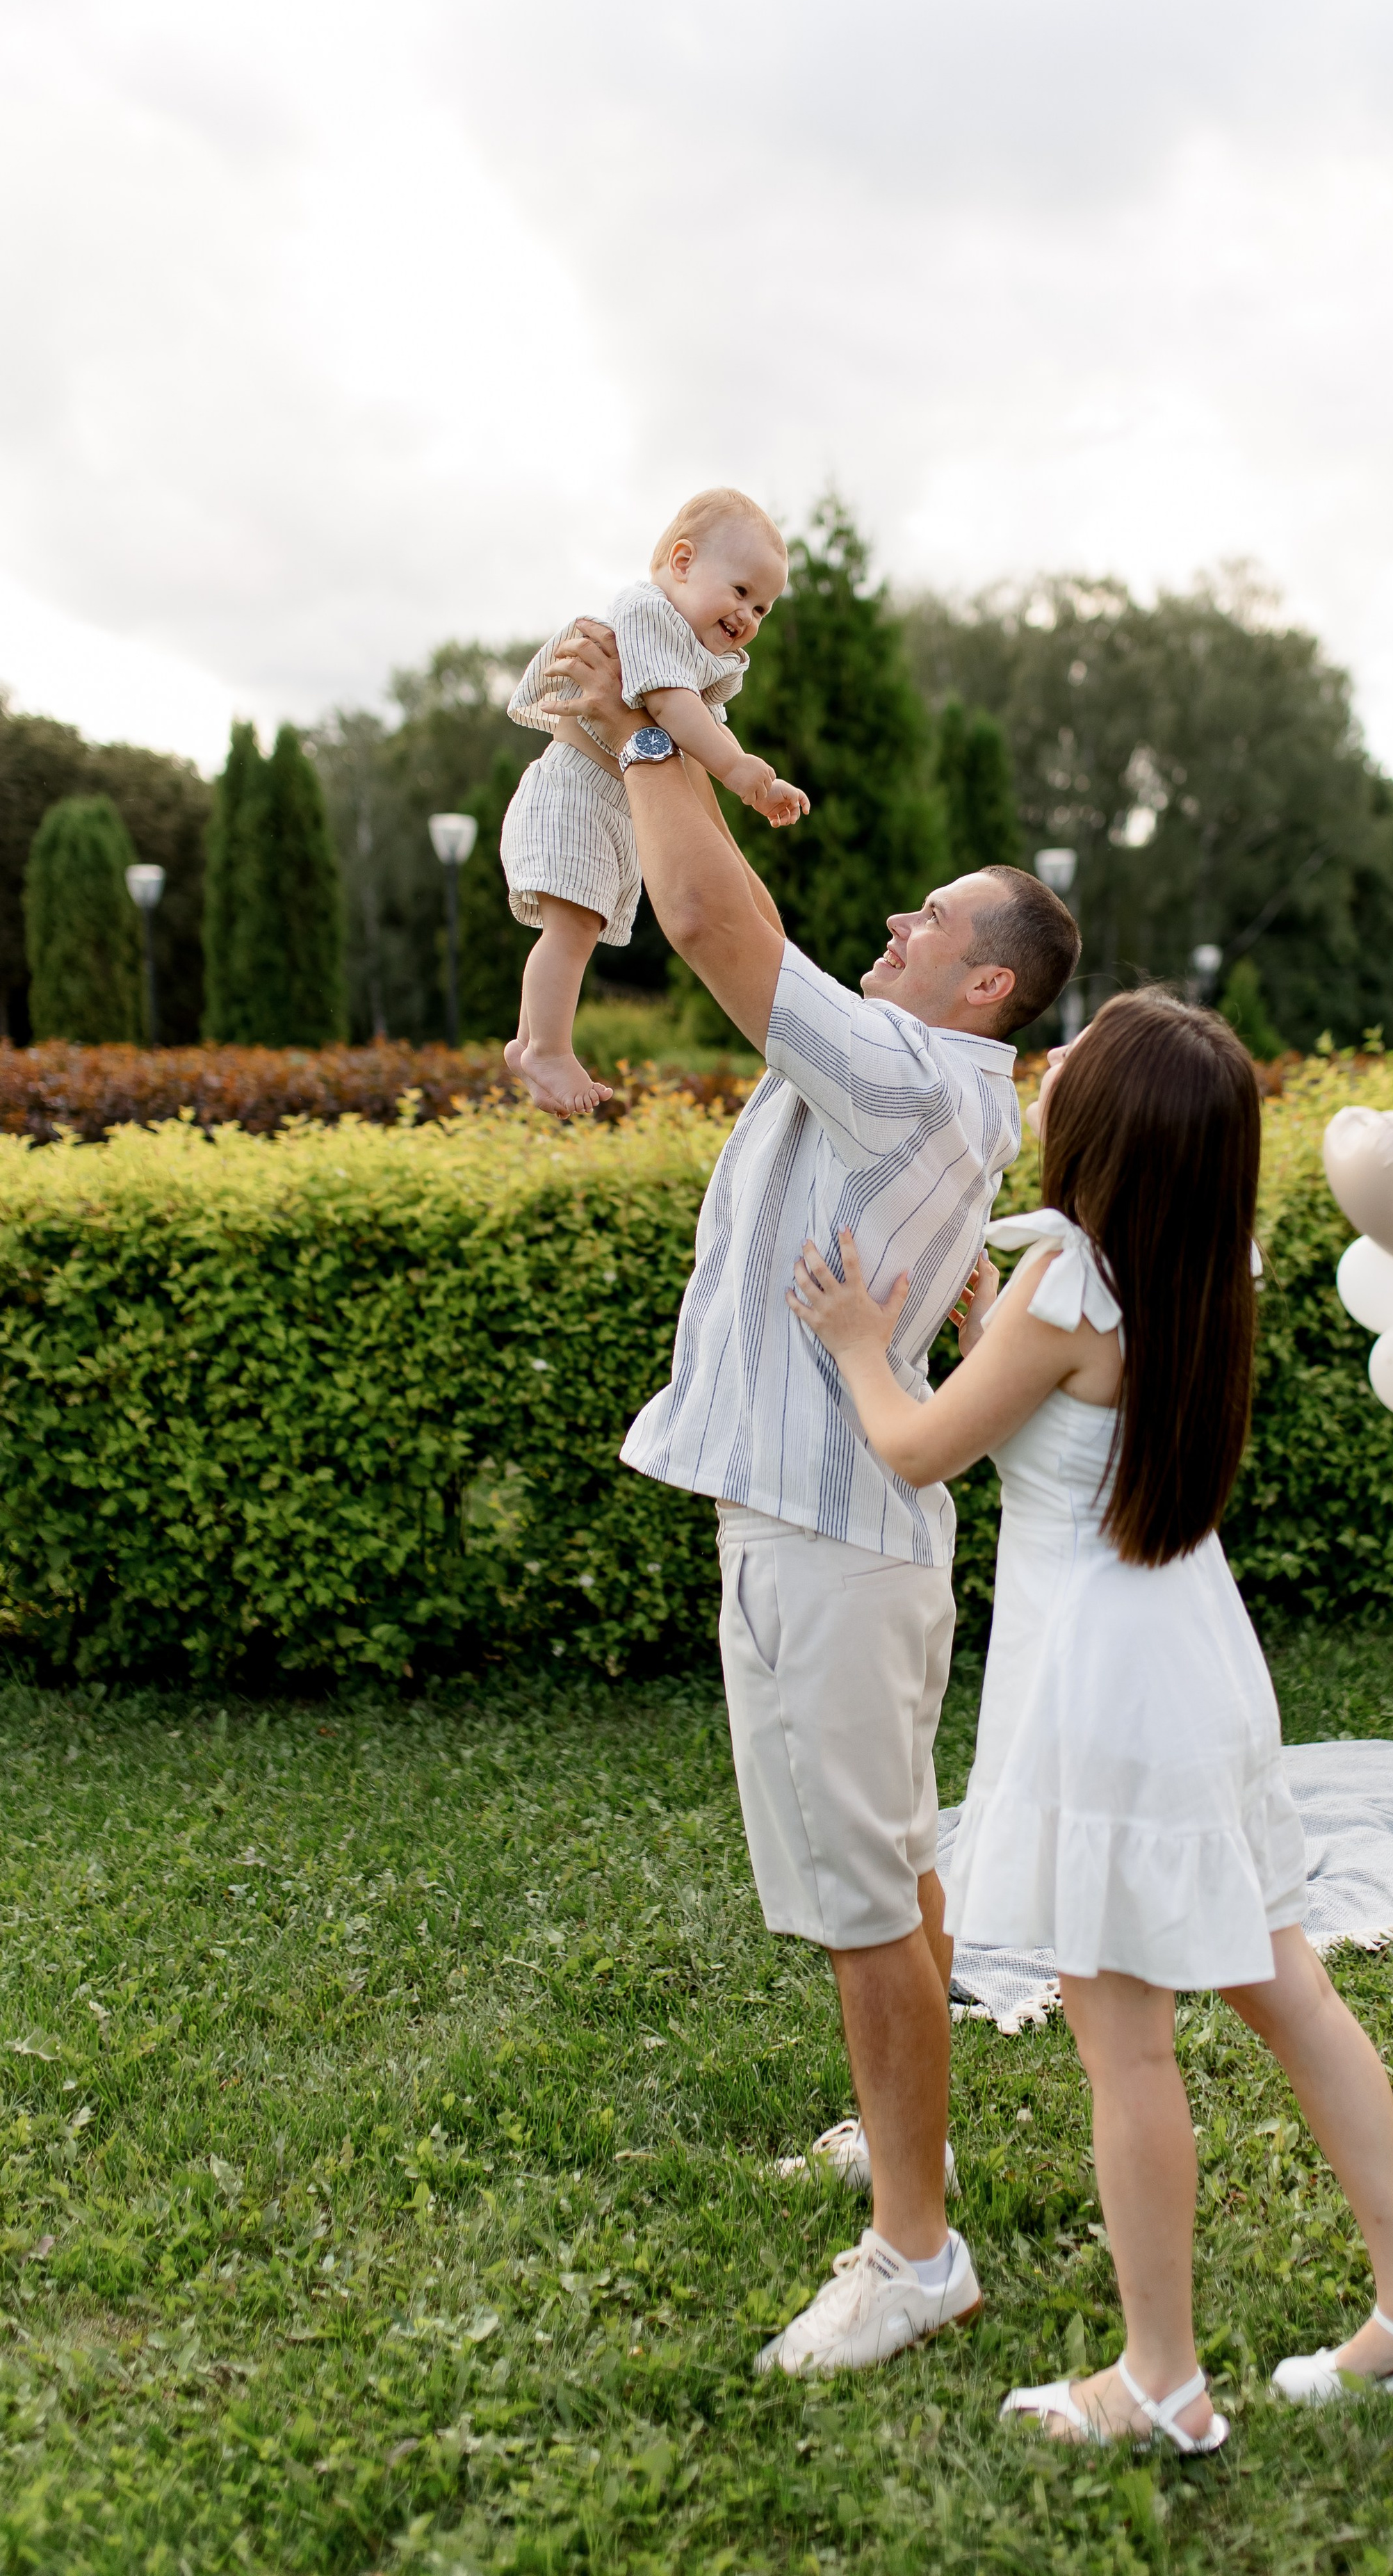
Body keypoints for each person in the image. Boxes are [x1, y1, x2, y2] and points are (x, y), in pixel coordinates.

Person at [788, 990, 1393, 2451]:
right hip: (1195, 1661)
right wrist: (1001, 1329)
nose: (1043, 1079)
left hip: (1104, 1690)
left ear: (1101, 1128)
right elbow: (1075, 1407)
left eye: (1069, 1065)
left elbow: (920, 1447)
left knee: (1125, 2047)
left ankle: (1159, 2379)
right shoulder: (1200, 1260)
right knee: (1286, 1990)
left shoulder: (1065, 1291)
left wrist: (862, 1343)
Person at [541, 616, 1081, 2376]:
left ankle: (916, 2252)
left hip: (828, 1541)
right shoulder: (927, 1079)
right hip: (858, 1533)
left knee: (860, 1898)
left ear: (985, 987)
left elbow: (709, 922)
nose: (893, 927)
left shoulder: (910, 1073)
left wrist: (644, 729)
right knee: (897, 1866)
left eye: (926, 922)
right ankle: (897, 2127)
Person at [500, 488, 808, 1119]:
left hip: (609, 807)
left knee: (576, 928)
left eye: (764, 608)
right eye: (742, 591)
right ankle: (548, 1050)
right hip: (573, 795)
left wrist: (750, 776)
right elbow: (671, 708)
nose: (750, 616)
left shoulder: (694, 653)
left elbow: (703, 729)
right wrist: (742, 771)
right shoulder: (646, 612)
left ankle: (529, 1043)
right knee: (573, 927)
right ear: (684, 560)